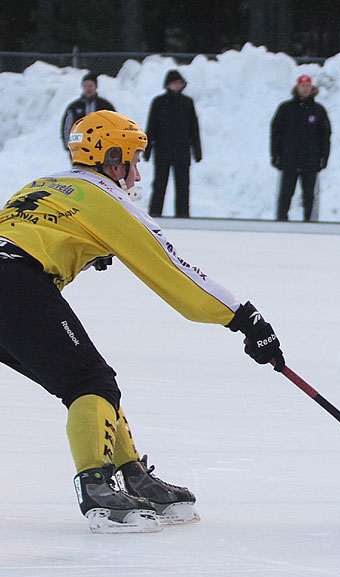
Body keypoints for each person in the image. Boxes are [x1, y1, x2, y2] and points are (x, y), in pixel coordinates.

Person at [0, 110, 284, 534]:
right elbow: (174, 271)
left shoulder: (43, 184)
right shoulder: (105, 197)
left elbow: (36, 230)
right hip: (15, 282)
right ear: (113, 161)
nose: (136, 174)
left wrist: (88, 247)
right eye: (134, 159)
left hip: (12, 277)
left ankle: (131, 472)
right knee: (89, 383)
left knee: (85, 382)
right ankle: (97, 487)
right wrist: (244, 317)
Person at [269, 74, 331, 221]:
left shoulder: (318, 110)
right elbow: (275, 133)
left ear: (312, 88)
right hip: (288, 160)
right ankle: (281, 221)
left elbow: (325, 136)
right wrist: (275, 155)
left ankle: (310, 223)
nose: (305, 89)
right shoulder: (285, 109)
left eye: (308, 86)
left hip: (310, 162)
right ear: (297, 87)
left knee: (310, 196)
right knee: (285, 194)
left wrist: (323, 157)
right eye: (302, 86)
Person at [145, 69, 202, 218]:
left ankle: (183, 216)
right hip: (163, 151)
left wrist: (197, 151)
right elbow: (151, 127)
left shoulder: (187, 103)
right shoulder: (158, 102)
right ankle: (155, 215)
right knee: (159, 185)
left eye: (179, 83)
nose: (177, 86)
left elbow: (193, 128)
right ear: (167, 85)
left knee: (183, 187)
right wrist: (147, 149)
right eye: (174, 83)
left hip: (182, 152)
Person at [60, 72, 115, 151]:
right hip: (80, 147)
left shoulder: (105, 106)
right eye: (85, 86)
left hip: (101, 147)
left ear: (96, 87)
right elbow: (67, 127)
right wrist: (68, 146)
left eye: (90, 86)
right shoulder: (74, 107)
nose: (88, 89)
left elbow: (114, 126)